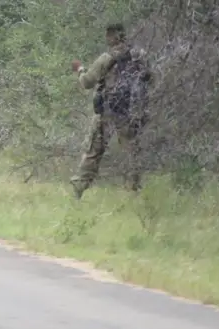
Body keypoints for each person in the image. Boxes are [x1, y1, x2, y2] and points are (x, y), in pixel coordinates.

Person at [70, 23, 152, 199]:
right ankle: (134, 191)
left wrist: (79, 69)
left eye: (108, 35)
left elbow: (86, 82)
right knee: (133, 154)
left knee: (94, 152)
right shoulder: (140, 56)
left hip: (108, 113)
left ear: (114, 37)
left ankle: (78, 188)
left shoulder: (107, 58)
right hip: (131, 112)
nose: (106, 38)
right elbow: (148, 78)